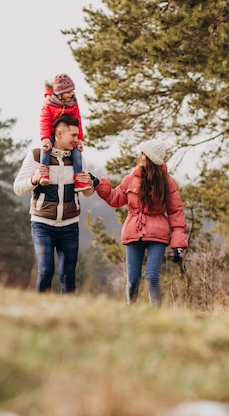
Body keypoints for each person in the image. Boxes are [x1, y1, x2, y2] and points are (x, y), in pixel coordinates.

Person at [90, 139, 188, 307]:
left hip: (158, 234)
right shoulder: (131, 179)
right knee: (133, 279)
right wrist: (99, 185)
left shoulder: (168, 183)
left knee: (152, 276)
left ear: (150, 158)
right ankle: (131, 310)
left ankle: (156, 317)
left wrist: (178, 243)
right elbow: (116, 198)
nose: (139, 155)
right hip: (133, 232)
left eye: (143, 153)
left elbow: (176, 212)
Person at [13, 114, 95, 293]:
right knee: (45, 270)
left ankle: (67, 316)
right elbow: (18, 188)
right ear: (58, 134)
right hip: (42, 224)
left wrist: (89, 184)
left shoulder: (78, 160)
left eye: (78, 135)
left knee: (68, 276)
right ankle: (40, 312)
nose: (77, 139)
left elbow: (88, 193)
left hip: (70, 226)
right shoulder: (36, 156)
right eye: (73, 135)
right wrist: (34, 179)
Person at [38, 73, 90, 192]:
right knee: (45, 150)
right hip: (51, 132)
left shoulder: (73, 104)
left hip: (67, 134)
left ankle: (78, 179)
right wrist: (45, 138)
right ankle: (43, 172)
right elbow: (44, 121)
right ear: (59, 94)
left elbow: (78, 121)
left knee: (77, 154)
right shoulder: (49, 104)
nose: (71, 94)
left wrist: (79, 138)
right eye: (68, 92)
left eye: (72, 91)